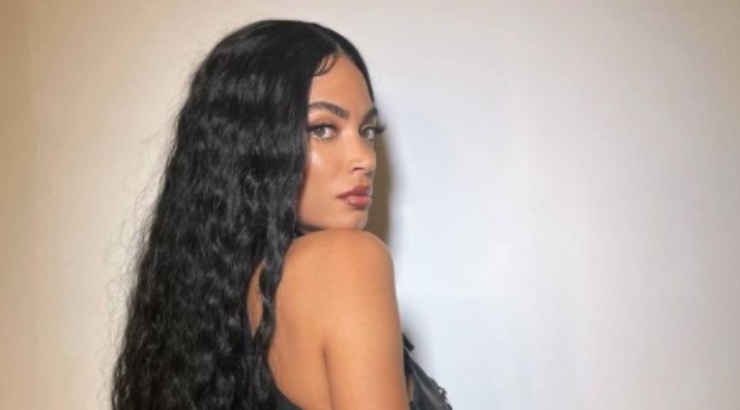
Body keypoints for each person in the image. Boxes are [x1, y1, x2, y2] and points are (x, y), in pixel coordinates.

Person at [111, 19, 453, 410]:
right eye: (322, 129)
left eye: (368, 131)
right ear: (251, 145)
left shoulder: (204, 312)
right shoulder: (347, 260)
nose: (364, 158)